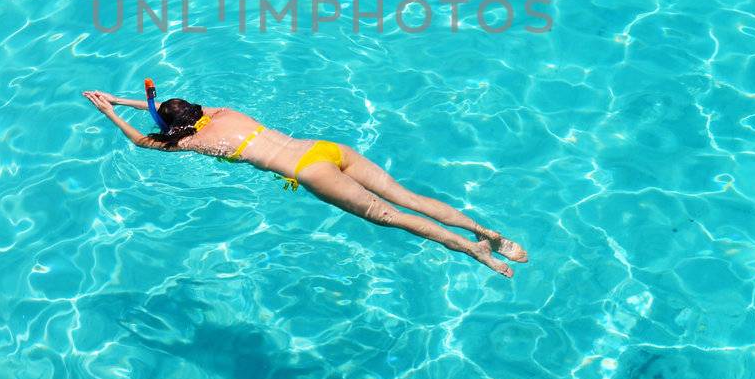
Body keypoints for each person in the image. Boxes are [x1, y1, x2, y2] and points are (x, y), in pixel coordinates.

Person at [82, 83, 526, 278]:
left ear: (176, 128)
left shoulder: (196, 144)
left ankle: (476, 253)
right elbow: (167, 114)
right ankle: (488, 233)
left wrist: (111, 111)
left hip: (309, 173)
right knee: (408, 197)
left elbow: (144, 140)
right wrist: (125, 97)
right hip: (324, 148)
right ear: (196, 110)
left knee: (393, 217)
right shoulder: (223, 114)